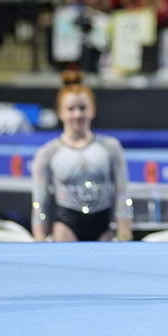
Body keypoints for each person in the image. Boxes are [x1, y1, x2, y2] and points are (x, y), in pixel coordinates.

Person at [30, 70, 133, 241]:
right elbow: (40, 202)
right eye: (71, 109)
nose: (77, 114)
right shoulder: (47, 153)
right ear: (61, 113)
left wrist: (124, 232)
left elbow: (122, 193)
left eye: (82, 108)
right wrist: (40, 238)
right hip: (66, 223)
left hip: (102, 224)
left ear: (92, 110)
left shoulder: (111, 147)